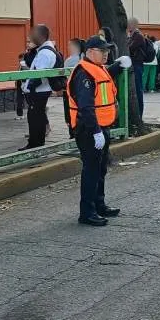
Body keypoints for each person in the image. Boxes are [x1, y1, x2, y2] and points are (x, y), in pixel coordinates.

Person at [67, 36, 131, 226]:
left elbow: (103, 78)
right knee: (91, 170)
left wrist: (117, 66)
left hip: (101, 127)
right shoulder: (83, 74)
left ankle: (99, 205)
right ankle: (87, 212)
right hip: (89, 129)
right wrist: (96, 132)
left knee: (100, 168)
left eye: (107, 51)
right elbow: (86, 107)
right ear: (89, 52)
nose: (106, 54)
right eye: (102, 51)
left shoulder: (97, 68)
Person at [21, 24, 59, 150]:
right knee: (38, 116)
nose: (31, 37)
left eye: (34, 34)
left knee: (35, 118)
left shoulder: (45, 53)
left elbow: (39, 75)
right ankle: (37, 143)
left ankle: (35, 144)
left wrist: (30, 87)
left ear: (41, 36)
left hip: (38, 91)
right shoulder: (44, 50)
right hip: (40, 90)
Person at [127, 18, 152, 118]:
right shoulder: (133, 36)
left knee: (138, 90)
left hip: (137, 65)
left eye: (129, 24)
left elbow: (129, 48)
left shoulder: (138, 36)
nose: (128, 26)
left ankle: (139, 115)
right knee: (136, 89)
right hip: (135, 64)